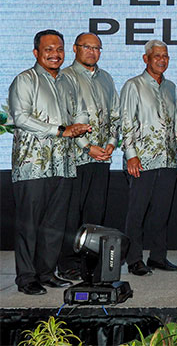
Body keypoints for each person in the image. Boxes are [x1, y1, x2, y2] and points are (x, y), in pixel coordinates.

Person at [9, 30, 90, 295]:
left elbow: (79, 112)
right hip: (33, 165)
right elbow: (20, 118)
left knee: (55, 225)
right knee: (29, 225)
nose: (55, 54)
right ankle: (27, 277)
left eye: (59, 49)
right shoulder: (25, 80)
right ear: (36, 53)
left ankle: (47, 272)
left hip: (63, 164)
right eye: (49, 50)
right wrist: (59, 130)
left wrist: (82, 133)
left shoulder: (68, 82)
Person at [56, 33, 120, 280]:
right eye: (87, 47)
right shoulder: (65, 77)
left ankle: (90, 263)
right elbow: (65, 116)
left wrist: (112, 143)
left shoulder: (106, 78)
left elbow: (115, 114)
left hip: (102, 158)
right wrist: (87, 146)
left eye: (97, 48)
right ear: (75, 48)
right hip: (75, 158)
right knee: (72, 214)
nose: (93, 52)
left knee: (96, 213)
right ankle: (68, 264)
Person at [121, 40, 177, 276]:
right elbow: (126, 122)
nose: (162, 60)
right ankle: (134, 259)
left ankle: (158, 257)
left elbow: (175, 124)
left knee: (161, 212)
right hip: (142, 160)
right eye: (157, 55)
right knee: (137, 212)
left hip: (167, 160)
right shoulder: (133, 85)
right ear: (145, 58)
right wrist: (131, 155)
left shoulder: (170, 87)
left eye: (165, 56)